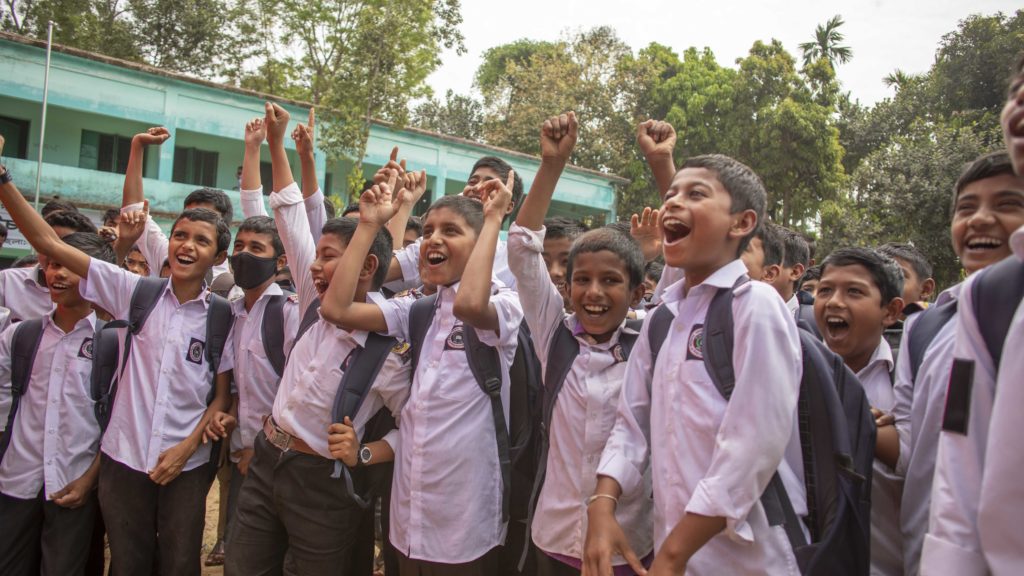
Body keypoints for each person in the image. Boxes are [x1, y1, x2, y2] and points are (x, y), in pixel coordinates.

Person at [0, 133, 234, 575]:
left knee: (180, 562)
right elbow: (51, 245)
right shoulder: (135, 293)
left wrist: (185, 450)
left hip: (185, 466)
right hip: (123, 458)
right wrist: (3, 179)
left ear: (218, 256)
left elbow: (221, 397)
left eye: (200, 240)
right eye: (180, 235)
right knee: (127, 561)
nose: (186, 245)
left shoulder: (224, 316)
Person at [585, 154, 803, 575]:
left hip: (749, 559)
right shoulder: (662, 319)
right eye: (670, 195)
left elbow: (753, 445)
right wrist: (603, 501)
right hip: (679, 556)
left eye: (695, 194)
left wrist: (672, 553)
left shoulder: (754, 306)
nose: (672, 204)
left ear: (740, 224)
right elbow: (632, 425)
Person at [224, 103, 412, 574]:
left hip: (322, 483)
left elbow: (415, 426)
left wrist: (366, 451)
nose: (313, 265)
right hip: (267, 461)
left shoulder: (389, 351)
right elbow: (288, 210)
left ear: (366, 267)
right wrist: (276, 141)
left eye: (329, 256)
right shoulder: (312, 299)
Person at [321, 159, 524, 573]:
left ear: (484, 241)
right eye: (429, 230)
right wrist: (368, 225)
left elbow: (469, 305)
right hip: (407, 516)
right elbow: (337, 307)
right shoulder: (419, 308)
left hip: (464, 525)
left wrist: (493, 221)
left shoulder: (505, 305)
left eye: (451, 231)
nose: (433, 239)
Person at [507, 111, 652, 575]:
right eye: (582, 280)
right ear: (565, 289)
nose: (593, 292)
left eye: (610, 281)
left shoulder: (651, 339)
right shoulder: (556, 338)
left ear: (637, 293)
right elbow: (523, 249)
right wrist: (552, 164)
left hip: (628, 542)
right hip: (555, 535)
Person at [887, 149, 1024, 575]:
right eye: (967, 207)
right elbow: (915, 448)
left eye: (1007, 204)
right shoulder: (925, 327)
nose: (980, 219)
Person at [0, 232, 115, 576]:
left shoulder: (112, 343)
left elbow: (114, 423)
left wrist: (89, 479)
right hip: (17, 480)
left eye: (69, 266)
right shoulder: (21, 335)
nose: (56, 274)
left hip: (72, 484)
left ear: (98, 277)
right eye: (51, 264)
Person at [814, 247, 905, 576]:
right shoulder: (790, 370)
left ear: (891, 311)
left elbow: (926, 467)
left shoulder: (912, 376)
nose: (835, 302)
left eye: (854, 291)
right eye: (825, 290)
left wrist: (868, 428)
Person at [119, 127, 235, 281]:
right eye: (189, 216)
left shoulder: (231, 288)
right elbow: (133, 210)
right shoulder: (168, 255)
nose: (187, 246)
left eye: (206, 220)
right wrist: (138, 146)